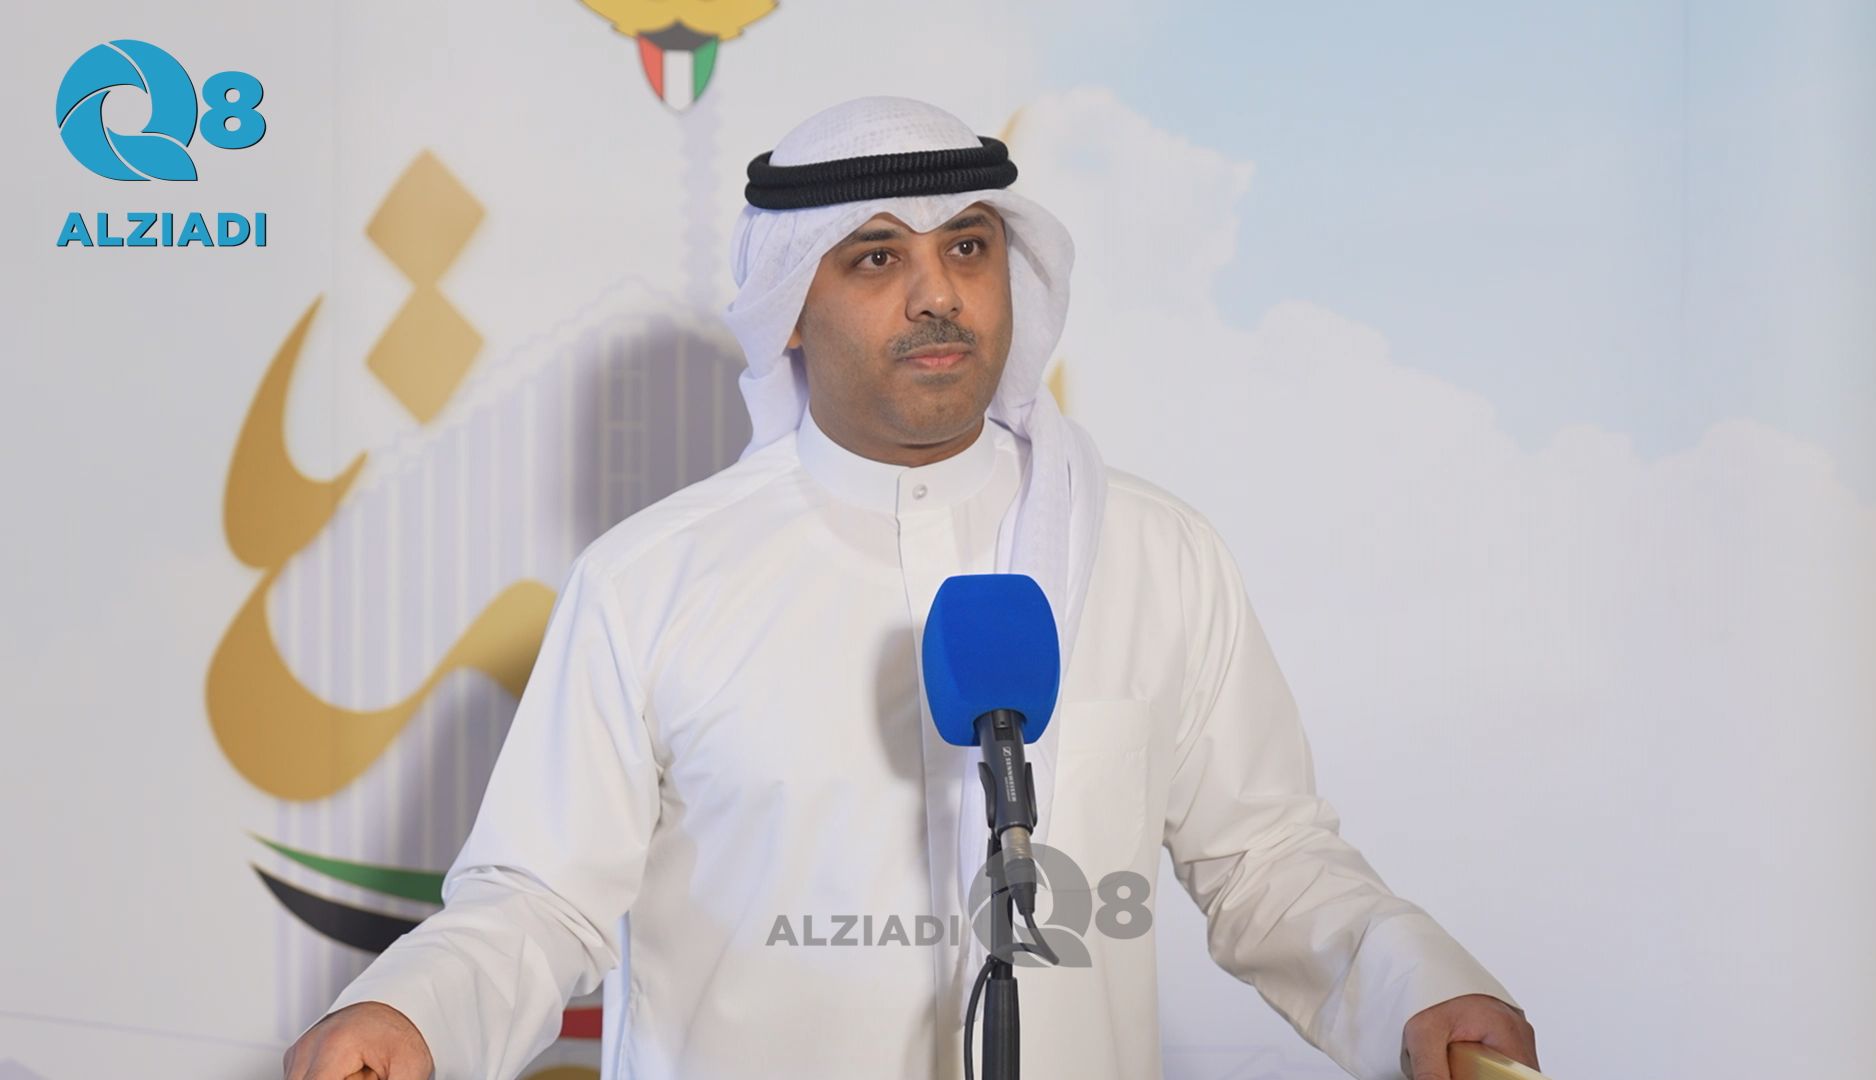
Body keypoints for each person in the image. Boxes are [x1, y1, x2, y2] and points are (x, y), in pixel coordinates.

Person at [281, 96, 1540, 1080]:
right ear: (790, 307)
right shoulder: (652, 580)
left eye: (968, 248)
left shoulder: (1154, 555)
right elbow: (540, 897)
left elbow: (1267, 858)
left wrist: (1422, 988)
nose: (938, 293)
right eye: (876, 257)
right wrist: (408, 1012)